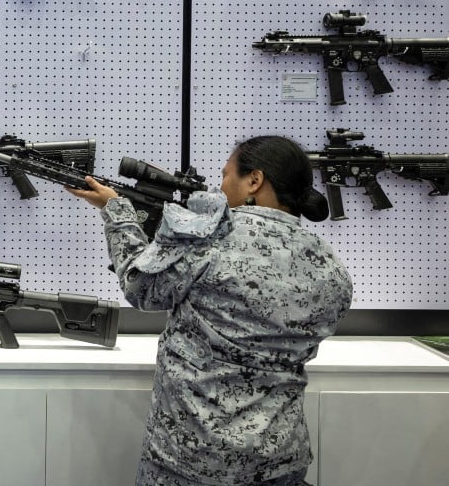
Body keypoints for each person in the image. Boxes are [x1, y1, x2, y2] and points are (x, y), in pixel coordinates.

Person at [68, 136, 353, 486]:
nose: (221, 186)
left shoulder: (209, 238)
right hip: (280, 458)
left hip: (190, 459)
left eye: (226, 175)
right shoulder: (330, 265)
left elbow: (140, 288)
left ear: (254, 180)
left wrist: (118, 214)